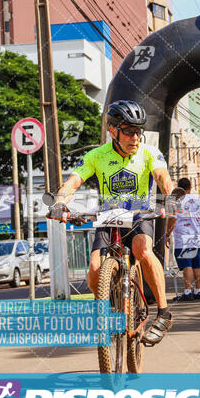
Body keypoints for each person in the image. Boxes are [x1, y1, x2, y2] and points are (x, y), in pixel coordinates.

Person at [48, 100, 174, 346]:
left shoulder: (148, 152)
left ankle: (163, 312)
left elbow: (162, 177)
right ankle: (108, 308)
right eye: (128, 131)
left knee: (142, 250)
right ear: (113, 131)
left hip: (139, 214)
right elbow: (73, 182)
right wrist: (59, 204)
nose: (135, 137)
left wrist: (170, 197)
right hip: (108, 216)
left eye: (138, 131)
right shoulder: (97, 155)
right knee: (95, 270)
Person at [166, 177, 200, 301]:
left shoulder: (175, 200)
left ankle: (188, 292)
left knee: (187, 265)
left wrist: (167, 234)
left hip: (182, 237)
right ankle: (198, 291)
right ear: (190, 187)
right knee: (197, 265)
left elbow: (172, 219)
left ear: (178, 187)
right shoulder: (198, 199)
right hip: (196, 236)